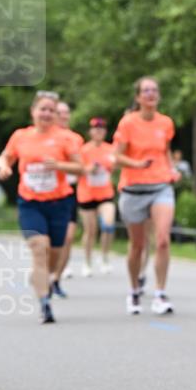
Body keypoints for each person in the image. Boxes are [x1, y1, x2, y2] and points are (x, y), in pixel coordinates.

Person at [0, 91, 82, 324]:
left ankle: (44, 277)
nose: (46, 113)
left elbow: (80, 168)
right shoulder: (20, 136)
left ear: (56, 115)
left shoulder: (65, 138)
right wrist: (4, 167)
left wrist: (60, 165)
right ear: (33, 112)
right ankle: (45, 304)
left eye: (51, 110)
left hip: (59, 203)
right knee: (39, 247)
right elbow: (4, 157)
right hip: (30, 203)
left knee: (54, 254)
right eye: (42, 109)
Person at [113, 77, 181, 315]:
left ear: (158, 96)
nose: (151, 94)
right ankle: (134, 290)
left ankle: (160, 294)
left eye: (154, 90)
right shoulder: (128, 123)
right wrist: (137, 164)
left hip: (161, 186)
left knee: (162, 240)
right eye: (146, 91)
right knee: (137, 245)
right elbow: (116, 156)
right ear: (138, 97)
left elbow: (165, 151)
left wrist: (172, 169)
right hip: (133, 189)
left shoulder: (166, 122)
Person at [77, 117, 117, 275]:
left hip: (105, 194)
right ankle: (87, 262)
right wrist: (89, 169)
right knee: (90, 231)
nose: (99, 132)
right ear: (90, 132)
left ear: (105, 132)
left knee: (108, 224)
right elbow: (77, 170)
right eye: (96, 129)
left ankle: (105, 257)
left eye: (101, 129)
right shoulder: (83, 150)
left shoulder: (110, 149)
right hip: (87, 195)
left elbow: (115, 166)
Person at [54, 101, 84, 287]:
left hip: (70, 191)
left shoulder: (76, 139)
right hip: (49, 192)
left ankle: (56, 277)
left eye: (66, 112)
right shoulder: (45, 138)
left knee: (68, 237)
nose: (64, 116)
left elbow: (82, 166)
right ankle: (49, 271)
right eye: (60, 113)